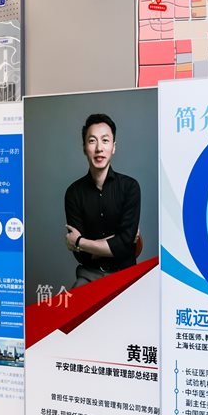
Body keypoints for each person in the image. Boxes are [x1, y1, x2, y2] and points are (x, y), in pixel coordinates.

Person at [64, 113, 141, 288]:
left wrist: (80, 242)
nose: (99, 148)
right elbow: (81, 256)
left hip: (126, 274)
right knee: (73, 302)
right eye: (92, 141)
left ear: (113, 147)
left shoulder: (130, 187)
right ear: (84, 148)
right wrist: (119, 241)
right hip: (88, 275)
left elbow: (125, 245)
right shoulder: (73, 193)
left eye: (105, 140)